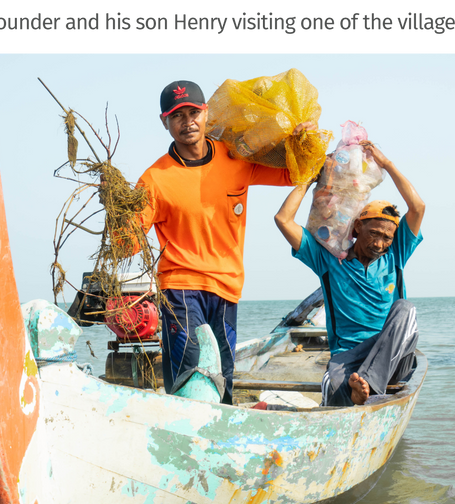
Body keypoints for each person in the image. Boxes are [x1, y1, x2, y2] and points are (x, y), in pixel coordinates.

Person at [135, 81, 315, 402]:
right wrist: (117, 207)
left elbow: (292, 173)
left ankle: (221, 443)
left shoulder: (235, 157)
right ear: (165, 122)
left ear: (206, 114)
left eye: (193, 112)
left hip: (227, 288)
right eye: (177, 116)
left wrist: (304, 141)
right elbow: (129, 244)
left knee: (224, 376)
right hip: (181, 286)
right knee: (190, 374)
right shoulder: (154, 179)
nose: (187, 121)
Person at [274, 141, 425, 407]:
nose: (379, 244)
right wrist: (309, 180)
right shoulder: (329, 261)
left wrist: (387, 164)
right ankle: (360, 388)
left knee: (405, 309)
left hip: (392, 354)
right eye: (373, 234)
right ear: (357, 228)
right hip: (348, 355)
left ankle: (368, 383)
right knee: (333, 387)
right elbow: (283, 219)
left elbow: (418, 208)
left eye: (387, 238)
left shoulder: (395, 256)